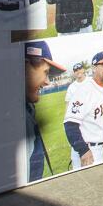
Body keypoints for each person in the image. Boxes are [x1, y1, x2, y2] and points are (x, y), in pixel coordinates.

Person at [64, 51, 103, 169]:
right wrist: (83, 150)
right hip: (87, 151)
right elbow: (70, 125)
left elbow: (102, 117)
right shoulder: (84, 91)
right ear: (93, 68)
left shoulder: (102, 88)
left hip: (98, 148)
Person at [24, 40, 64, 183]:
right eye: (46, 72)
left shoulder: (26, 108)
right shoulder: (15, 119)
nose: (47, 82)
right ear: (25, 66)